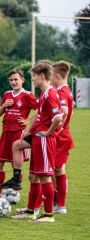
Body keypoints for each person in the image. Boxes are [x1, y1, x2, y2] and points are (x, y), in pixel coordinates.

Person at [11, 61, 62, 222]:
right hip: (38, 140)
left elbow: (58, 118)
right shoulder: (44, 93)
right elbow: (39, 115)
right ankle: (30, 211)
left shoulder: (51, 94)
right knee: (33, 176)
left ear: (41, 76)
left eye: (33, 76)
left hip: (46, 140)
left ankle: (48, 215)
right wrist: (28, 130)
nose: (32, 79)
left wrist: (47, 132)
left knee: (45, 176)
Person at [0, 69, 38, 200]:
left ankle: (15, 194)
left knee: (15, 164)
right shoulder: (7, 94)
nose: (13, 82)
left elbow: (41, 110)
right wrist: (3, 106)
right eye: (11, 80)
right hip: (5, 132)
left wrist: (28, 121)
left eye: (16, 79)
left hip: (19, 133)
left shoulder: (28, 95)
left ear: (22, 80)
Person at [51, 61, 74, 214]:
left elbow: (64, 111)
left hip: (62, 137)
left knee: (55, 170)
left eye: (51, 75)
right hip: (63, 135)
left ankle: (60, 204)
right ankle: (57, 202)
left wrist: (58, 129)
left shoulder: (61, 92)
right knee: (55, 170)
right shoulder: (66, 90)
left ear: (57, 76)